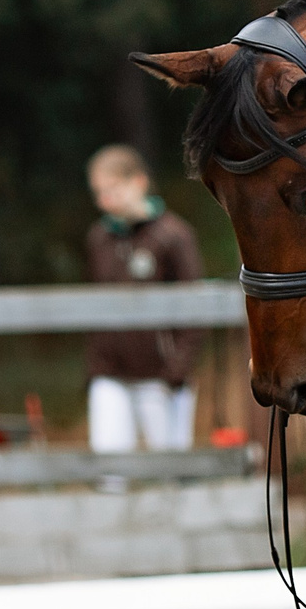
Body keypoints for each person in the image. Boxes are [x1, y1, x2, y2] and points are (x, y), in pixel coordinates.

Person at [82, 144, 204, 453]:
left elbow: (194, 307)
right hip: (110, 374)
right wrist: (95, 366)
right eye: (98, 192)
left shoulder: (174, 236)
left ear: (138, 182)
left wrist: (178, 368)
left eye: (111, 189)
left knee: (170, 471)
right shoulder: (98, 238)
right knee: (109, 470)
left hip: (161, 377)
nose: (104, 201)